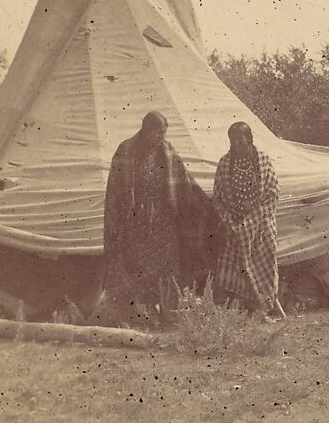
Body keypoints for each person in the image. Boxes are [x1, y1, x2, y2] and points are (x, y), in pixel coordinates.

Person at [103, 111, 210, 324]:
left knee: (167, 267)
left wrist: (203, 204)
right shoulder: (126, 150)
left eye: (164, 132)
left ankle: (168, 313)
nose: (161, 137)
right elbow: (115, 190)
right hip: (136, 222)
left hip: (163, 222)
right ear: (146, 130)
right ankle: (141, 314)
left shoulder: (167, 151)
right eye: (157, 132)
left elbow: (184, 181)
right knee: (137, 267)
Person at [212, 121, 285, 320]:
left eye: (241, 141)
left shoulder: (262, 161)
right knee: (231, 258)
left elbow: (272, 194)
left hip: (261, 224)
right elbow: (218, 198)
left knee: (265, 257)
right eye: (233, 141)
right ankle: (243, 308)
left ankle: (263, 306)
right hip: (234, 225)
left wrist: (254, 222)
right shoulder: (225, 163)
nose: (237, 145)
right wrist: (232, 223)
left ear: (249, 139)